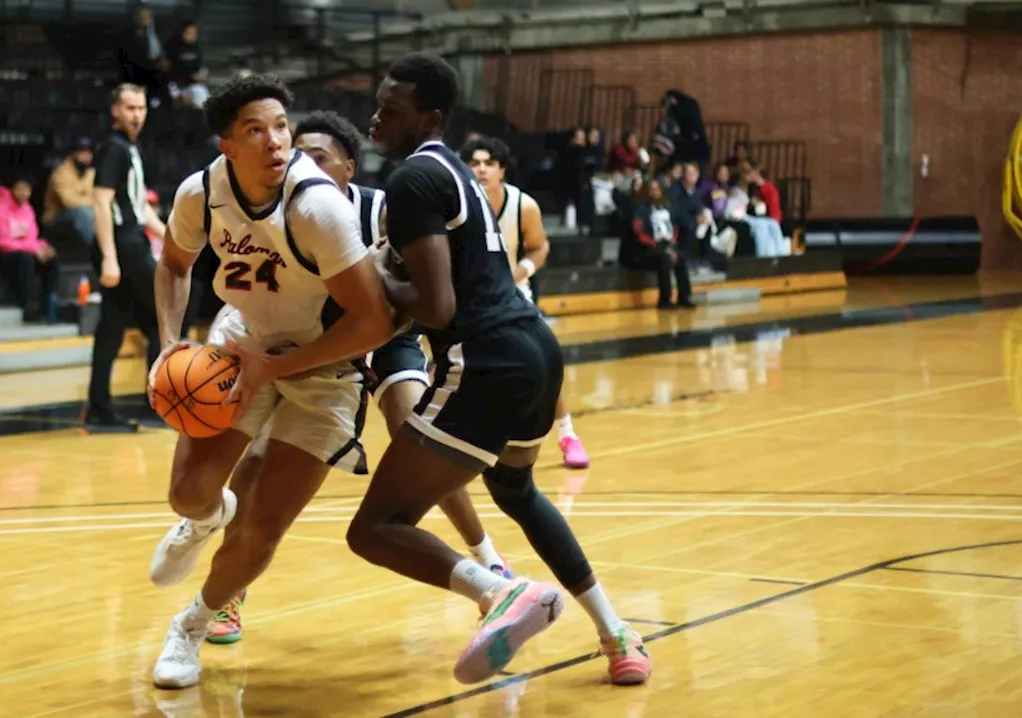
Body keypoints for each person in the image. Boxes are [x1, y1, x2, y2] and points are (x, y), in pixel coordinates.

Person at [345, 52, 652, 687]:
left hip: (484, 360)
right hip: (535, 348)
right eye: (377, 104)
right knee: (516, 491)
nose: (376, 117)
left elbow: (436, 306)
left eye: (391, 109)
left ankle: (500, 591)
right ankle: (617, 632)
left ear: (430, 118)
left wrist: (374, 280)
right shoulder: (455, 170)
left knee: (375, 528)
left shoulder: (411, 179)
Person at [193, 110, 515, 646]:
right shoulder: (280, 212)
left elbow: (425, 284)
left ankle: (489, 561)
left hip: (383, 337)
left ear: (348, 167)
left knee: (418, 435)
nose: (302, 163)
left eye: (318, 156)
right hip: (310, 346)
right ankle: (228, 592)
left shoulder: (384, 209)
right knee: (254, 464)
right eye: (299, 153)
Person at [144, 74, 396, 689]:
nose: (276, 141)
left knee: (262, 527)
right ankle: (206, 517)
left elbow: (373, 323)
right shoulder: (201, 193)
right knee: (189, 494)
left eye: (281, 125)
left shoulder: (318, 208)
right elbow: (174, 263)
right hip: (245, 340)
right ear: (228, 146)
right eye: (255, 130)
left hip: (327, 364)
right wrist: (171, 342)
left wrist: (277, 369)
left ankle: (193, 624)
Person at [460, 136, 591, 470]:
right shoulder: (456, 204)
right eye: (475, 163)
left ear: (502, 169)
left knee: (545, 363)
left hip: (513, 292)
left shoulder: (523, 205)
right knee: (454, 368)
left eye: (489, 163)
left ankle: (568, 434)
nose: (482, 169)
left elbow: (540, 247)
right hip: (468, 293)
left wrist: (519, 273)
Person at [82, 84, 168, 432]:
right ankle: (155, 407)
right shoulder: (113, 148)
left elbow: (138, 207)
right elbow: (100, 202)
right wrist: (109, 258)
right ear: (115, 111)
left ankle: (99, 408)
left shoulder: (130, 148)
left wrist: (171, 236)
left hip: (130, 241)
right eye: (130, 108)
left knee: (112, 326)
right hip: (123, 246)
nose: (137, 115)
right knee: (162, 318)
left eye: (141, 108)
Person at [0, 175, 60, 324]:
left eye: (28, 190)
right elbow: (1, 242)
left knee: (50, 258)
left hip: (19, 250)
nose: (24, 193)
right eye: (20, 189)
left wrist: (41, 248)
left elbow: (31, 237)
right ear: (12, 189)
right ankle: (25, 308)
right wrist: (33, 249)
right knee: (25, 259)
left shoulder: (28, 209)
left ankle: (48, 307)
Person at [633, 179, 693, 309]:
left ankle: (684, 297)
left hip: (668, 243)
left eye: (657, 189)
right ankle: (665, 300)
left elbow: (674, 227)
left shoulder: (668, 207)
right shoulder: (641, 210)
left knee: (680, 258)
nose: (655, 192)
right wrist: (657, 246)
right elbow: (639, 233)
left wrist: (672, 244)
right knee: (665, 259)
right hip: (648, 248)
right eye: (652, 190)